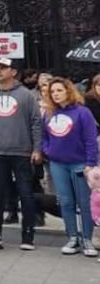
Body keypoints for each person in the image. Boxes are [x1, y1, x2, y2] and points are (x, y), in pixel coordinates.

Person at [0, 58, 42, 250]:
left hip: (22, 153)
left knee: (26, 194)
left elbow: (36, 123)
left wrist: (37, 148)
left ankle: (28, 237)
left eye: (3, 68)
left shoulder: (26, 95)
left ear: (14, 72)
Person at [41, 77, 99, 256]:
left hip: (80, 164)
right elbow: (44, 137)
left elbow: (91, 139)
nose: (56, 94)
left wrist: (90, 163)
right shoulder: (49, 114)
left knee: (85, 203)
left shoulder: (83, 113)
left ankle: (87, 239)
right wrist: (48, 150)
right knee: (66, 202)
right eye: (53, 92)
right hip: (58, 163)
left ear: (68, 91)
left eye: (59, 90)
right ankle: (72, 237)